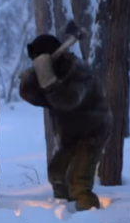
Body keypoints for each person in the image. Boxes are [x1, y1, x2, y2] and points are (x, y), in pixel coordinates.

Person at [18, 32, 111, 211]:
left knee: (79, 180)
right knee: (57, 174)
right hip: (71, 135)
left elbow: (69, 100)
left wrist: (49, 82)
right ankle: (66, 214)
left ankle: (90, 221)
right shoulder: (51, 72)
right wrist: (31, 77)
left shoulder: (78, 71)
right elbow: (31, 95)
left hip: (92, 131)